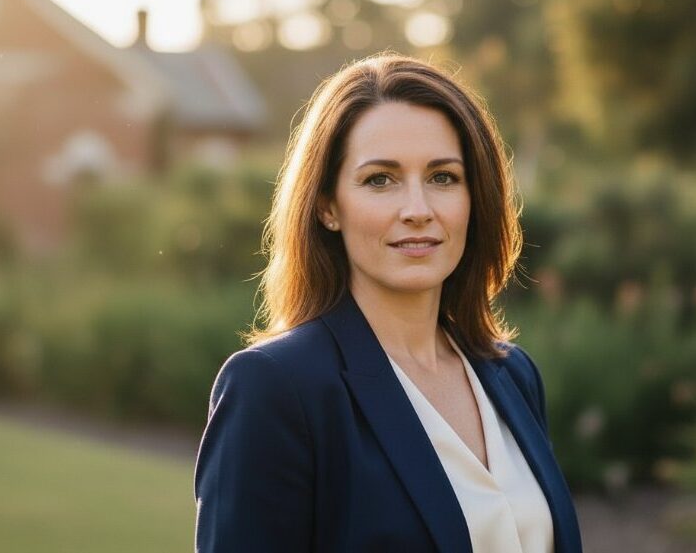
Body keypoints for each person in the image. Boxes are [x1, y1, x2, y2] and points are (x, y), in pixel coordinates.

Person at [194, 53, 583, 553]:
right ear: (328, 206)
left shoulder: (512, 375)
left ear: (474, 197)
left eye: (443, 177)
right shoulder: (275, 388)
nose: (418, 210)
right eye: (380, 179)